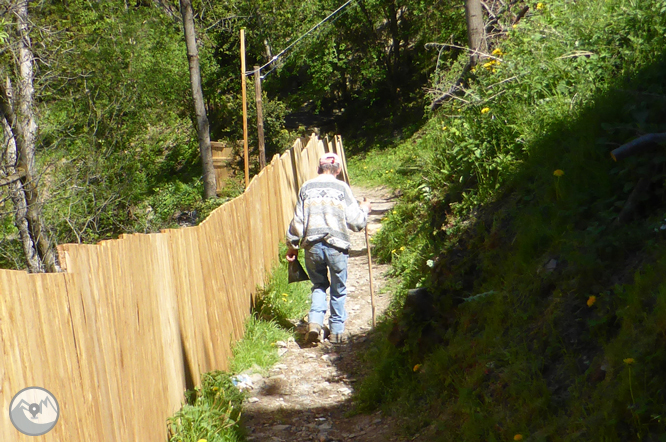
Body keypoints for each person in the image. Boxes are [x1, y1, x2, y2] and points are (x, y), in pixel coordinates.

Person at [286, 152, 371, 344]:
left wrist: (292, 246)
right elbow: (356, 222)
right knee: (338, 289)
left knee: (318, 286)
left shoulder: (306, 187)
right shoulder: (342, 188)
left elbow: (297, 221)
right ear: (338, 170)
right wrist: (365, 209)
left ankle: (315, 323)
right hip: (337, 246)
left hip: (312, 247)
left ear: (319, 168)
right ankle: (337, 332)